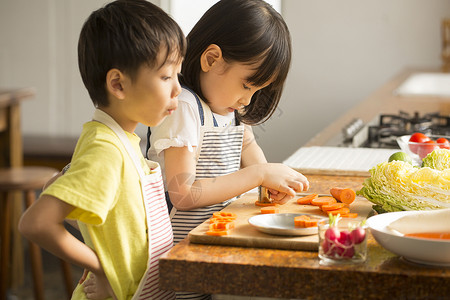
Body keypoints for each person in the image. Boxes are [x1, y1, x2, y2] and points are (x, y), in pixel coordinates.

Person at [19, 0, 186, 299]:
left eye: (177, 75)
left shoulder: (121, 140)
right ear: (118, 85)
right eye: (165, 76)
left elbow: (62, 189)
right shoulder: (106, 149)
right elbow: (36, 222)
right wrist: (100, 266)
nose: (177, 89)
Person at [147, 1, 308, 298]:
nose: (248, 99)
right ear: (212, 59)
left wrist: (268, 187)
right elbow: (184, 193)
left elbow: (248, 144)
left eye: (257, 91)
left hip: (206, 249)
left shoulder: (227, 108)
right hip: (173, 257)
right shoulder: (184, 107)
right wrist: (259, 175)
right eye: (247, 85)